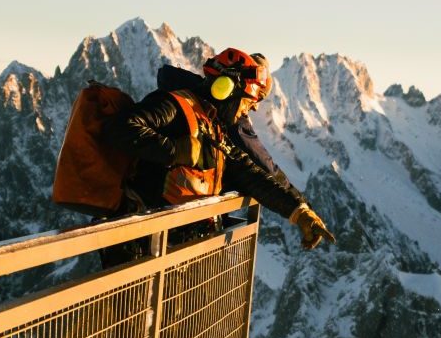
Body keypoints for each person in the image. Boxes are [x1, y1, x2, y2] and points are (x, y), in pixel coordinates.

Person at [100, 47, 334, 261]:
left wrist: (299, 212)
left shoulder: (214, 128)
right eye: (248, 101)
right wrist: (176, 150)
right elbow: (118, 128)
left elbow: (250, 174)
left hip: (172, 253)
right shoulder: (174, 105)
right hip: (138, 250)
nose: (251, 108)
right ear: (226, 90)